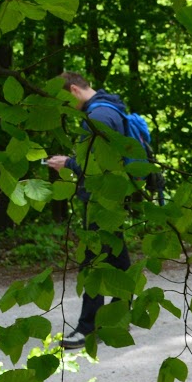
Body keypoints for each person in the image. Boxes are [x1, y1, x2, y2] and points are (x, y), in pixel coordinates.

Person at [46, 71, 136, 350]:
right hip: (110, 195)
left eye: (64, 100)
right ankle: (121, 315)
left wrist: (69, 164)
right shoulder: (110, 108)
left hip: (102, 198)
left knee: (93, 261)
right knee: (118, 259)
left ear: (73, 90)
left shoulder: (98, 117)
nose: (65, 108)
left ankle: (87, 328)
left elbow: (99, 162)